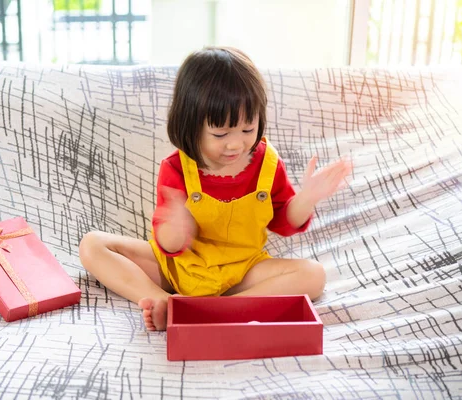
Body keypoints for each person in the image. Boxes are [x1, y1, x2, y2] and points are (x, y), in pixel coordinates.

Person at [79, 47, 353, 331]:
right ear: (191, 124)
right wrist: (176, 224)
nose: (235, 144)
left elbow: (284, 221)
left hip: (243, 272)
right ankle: (162, 300)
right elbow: (169, 246)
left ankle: (221, 310)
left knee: (314, 275)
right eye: (220, 134)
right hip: (179, 268)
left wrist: (307, 198)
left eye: (248, 129)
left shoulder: (267, 164)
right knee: (93, 245)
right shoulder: (177, 168)